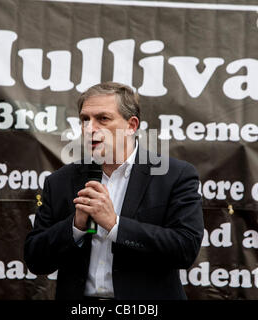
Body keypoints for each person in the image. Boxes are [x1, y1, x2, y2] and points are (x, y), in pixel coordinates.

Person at [24, 82, 204, 300]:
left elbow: (185, 249)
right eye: (84, 119)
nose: (90, 128)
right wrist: (76, 226)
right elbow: (35, 259)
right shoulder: (60, 181)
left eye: (103, 119)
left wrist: (115, 224)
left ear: (131, 125)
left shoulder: (174, 175)